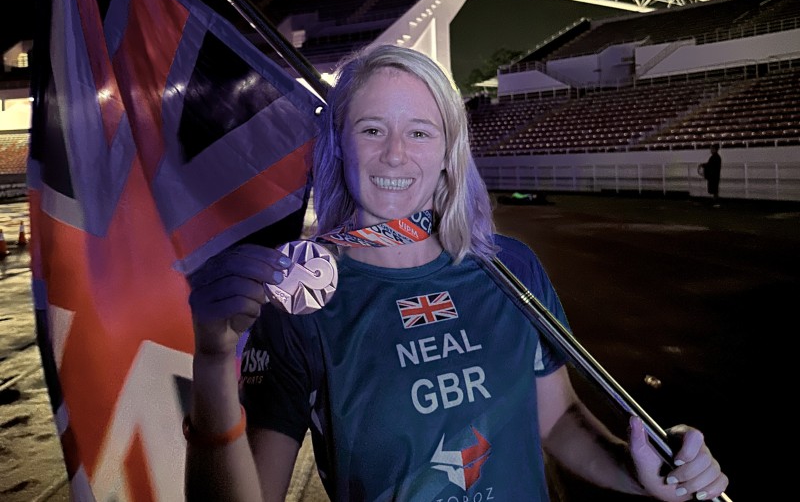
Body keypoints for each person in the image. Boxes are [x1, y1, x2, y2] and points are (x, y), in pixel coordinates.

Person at [185, 44, 728, 502]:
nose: (395, 155)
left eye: (420, 132)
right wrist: (212, 362)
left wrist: (638, 472)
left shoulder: (509, 268)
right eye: (372, 129)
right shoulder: (298, 304)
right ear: (339, 144)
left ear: (449, 151)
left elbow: (558, 421)